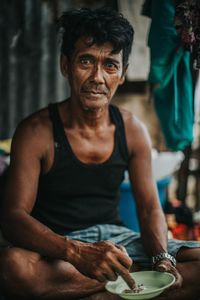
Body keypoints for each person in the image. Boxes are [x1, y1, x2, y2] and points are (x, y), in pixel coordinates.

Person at [0, 7, 200, 300]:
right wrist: (76, 252)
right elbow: (13, 217)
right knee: (12, 267)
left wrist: (160, 258)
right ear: (65, 65)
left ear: (122, 74)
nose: (97, 77)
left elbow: (148, 209)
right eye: (86, 61)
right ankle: (130, 290)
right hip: (58, 248)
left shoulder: (133, 130)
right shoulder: (36, 132)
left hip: (118, 242)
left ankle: (102, 294)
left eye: (110, 65)